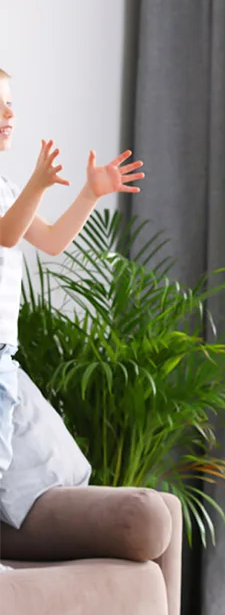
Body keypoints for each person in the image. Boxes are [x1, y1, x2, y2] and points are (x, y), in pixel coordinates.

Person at [0, 67, 144, 568]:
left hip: (5, 358)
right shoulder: (14, 192)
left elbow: (53, 242)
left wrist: (90, 193)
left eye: (10, 103)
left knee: (44, 462)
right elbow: (5, 234)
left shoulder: (6, 184)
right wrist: (38, 186)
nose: (9, 114)